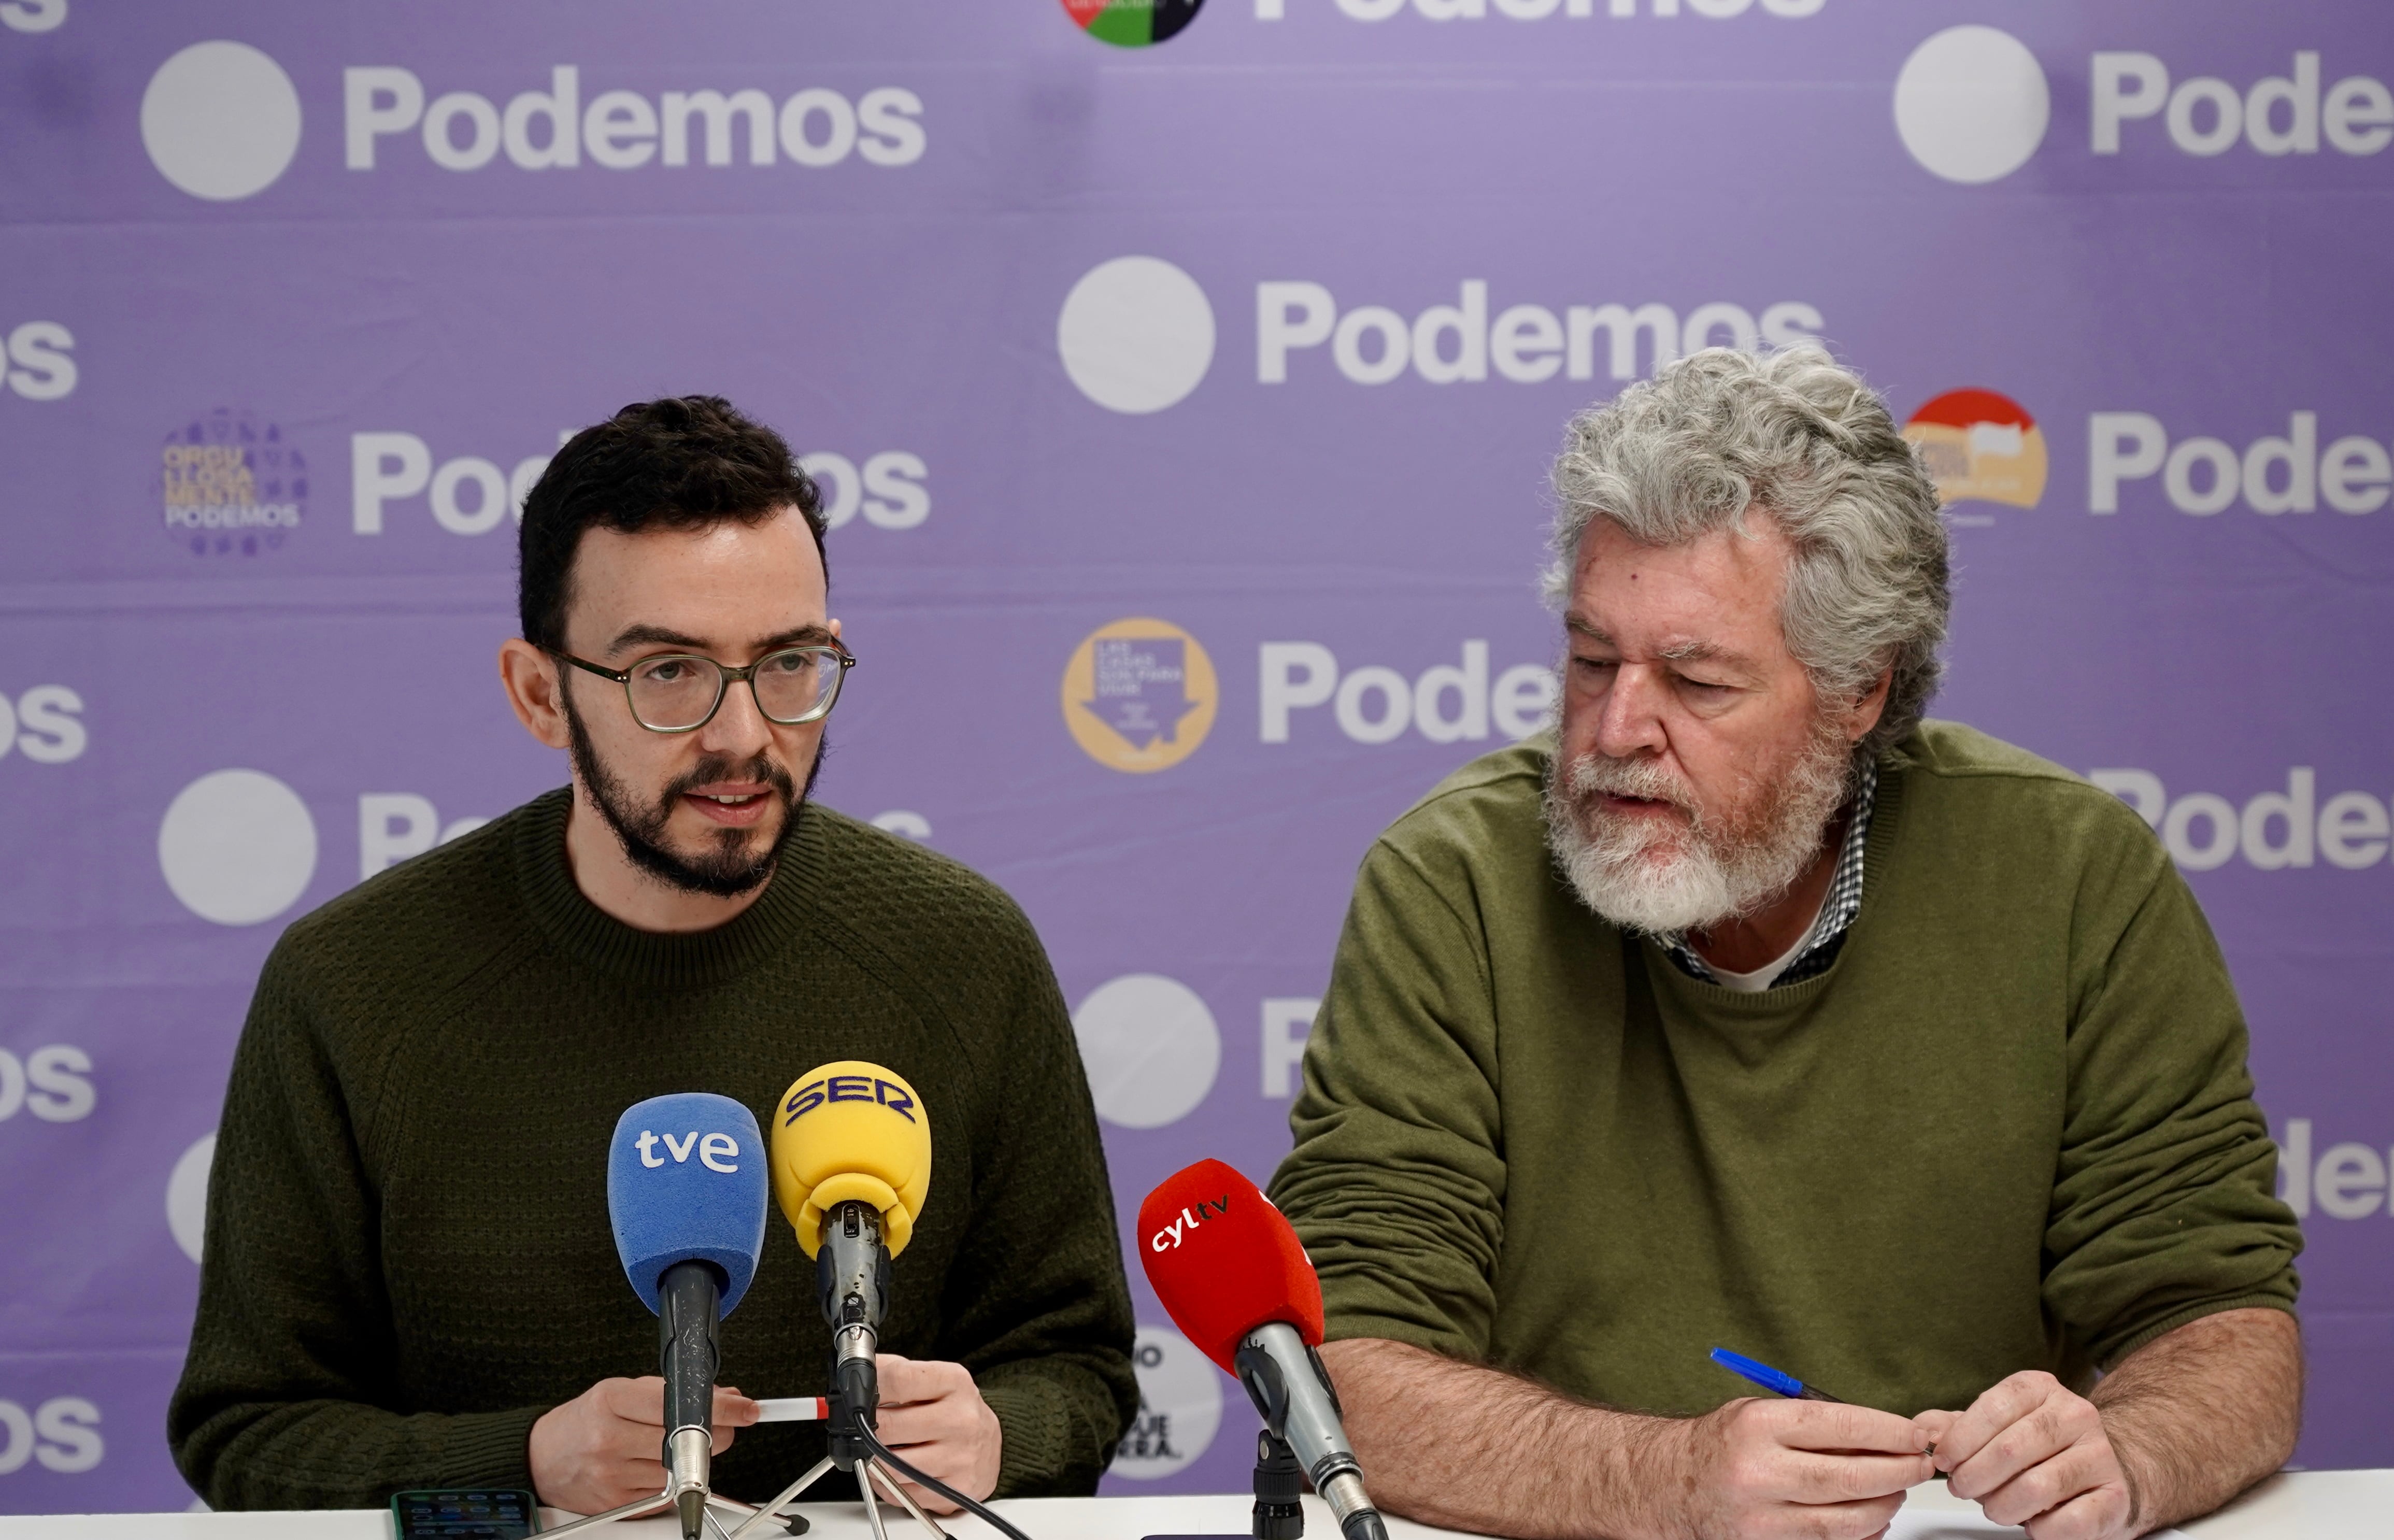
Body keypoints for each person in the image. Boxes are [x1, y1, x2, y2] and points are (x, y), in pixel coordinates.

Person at [1270, 348, 2303, 1540]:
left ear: (1860, 688)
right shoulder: (1452, 883)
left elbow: (2220, 1318)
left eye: (1696, 680)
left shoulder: (2074, 875)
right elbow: (1341, 1370)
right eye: (1593, 658)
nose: (1616, 731)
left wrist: (2128, 1449)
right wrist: (1663, 1482)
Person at [169, 396, 1137, 1514]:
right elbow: (248, 1430)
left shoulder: (966, 952)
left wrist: (995, 1437)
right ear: (541, 694)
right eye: (668, 672)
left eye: (789, 662)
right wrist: (523, 1461)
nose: (743, 733)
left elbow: (1081, 1369)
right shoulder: (352, 983)